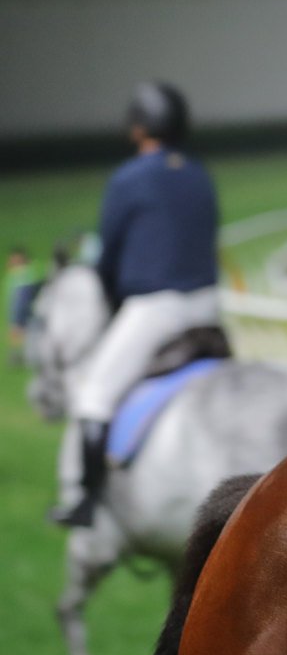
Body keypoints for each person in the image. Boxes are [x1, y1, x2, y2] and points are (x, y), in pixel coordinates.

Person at [51, 82, 222, 529]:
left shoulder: (129, 178)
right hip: (209, 307)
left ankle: (86, 503)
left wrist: (108, 298)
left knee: (93, 397)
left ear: (139, 126)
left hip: (158, 311)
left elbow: (108, 256)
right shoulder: (199, 173)